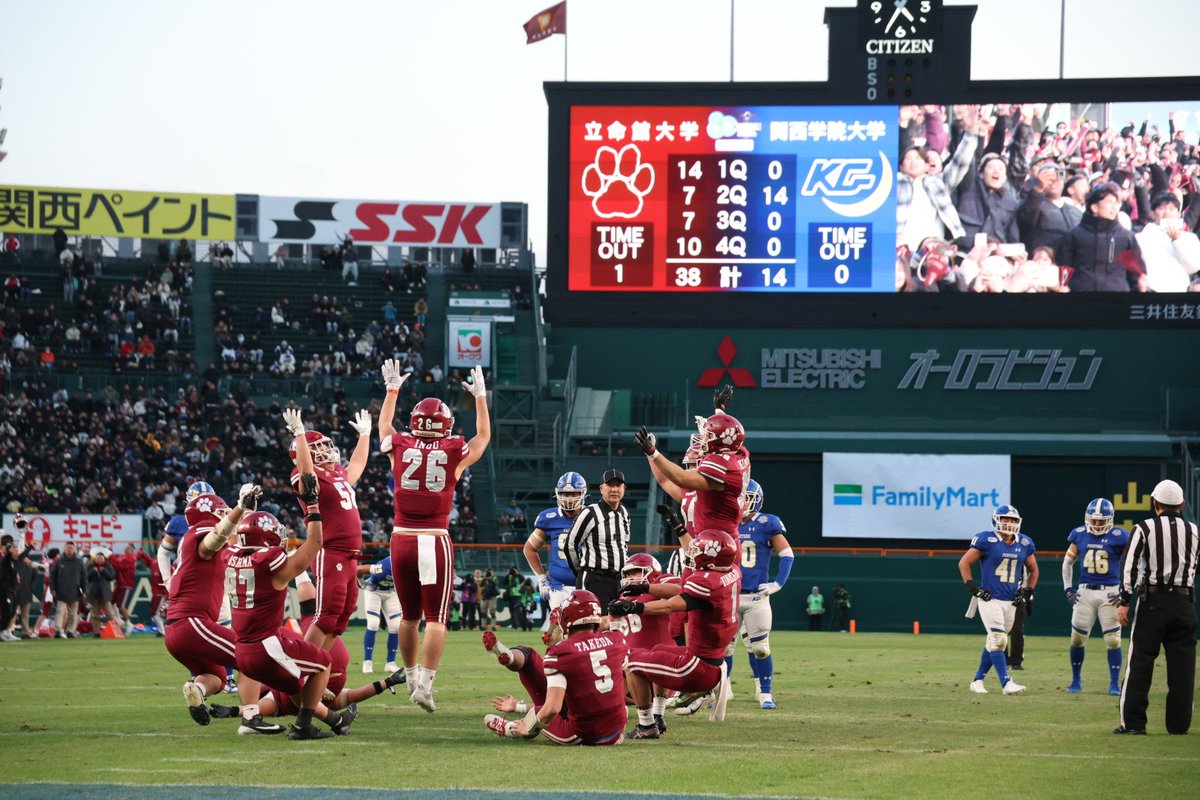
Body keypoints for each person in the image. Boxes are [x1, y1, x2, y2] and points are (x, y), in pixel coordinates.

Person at [378, 360, 490, 712]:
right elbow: (483, 437)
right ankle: (424, 685)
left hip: (400, 538)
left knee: (408, 617)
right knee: (436, 619)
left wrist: (392, 391)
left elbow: (383, 427)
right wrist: (482, 399)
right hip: (433, 537)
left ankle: (410, 676)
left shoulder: (400, 443)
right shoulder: (453, 448)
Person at [226, 495, 356, 741]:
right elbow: (315, 543)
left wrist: (242, 511)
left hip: (241, 652)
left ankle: (335, 720)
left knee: (295, 685)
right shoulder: (270, 566)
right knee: (323, 662)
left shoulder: (230, 556)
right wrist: (314, 509)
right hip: (266, 646)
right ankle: (303, 726)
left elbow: (232, 538)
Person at [167, 485, 281, 734]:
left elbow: (232, 541)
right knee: (251, 657)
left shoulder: (193, 538)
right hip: (192, 622)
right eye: (221, 512)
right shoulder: (202, 534)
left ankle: (196, 690)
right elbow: (214, 540)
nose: (225, 515)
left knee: (216, 678)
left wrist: (246, 512)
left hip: (178, 629)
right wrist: (240, 508)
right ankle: (251, 718)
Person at [611, 529, 741, 738]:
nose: (693, 554)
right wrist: (645, 588)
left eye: (698, 551)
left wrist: (633, 607)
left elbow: (669, 606)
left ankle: (646, 726)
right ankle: (658, 715)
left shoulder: (706, 582)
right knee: (658, 650)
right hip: (713, 661)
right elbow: (680, 590)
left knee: (632, 663)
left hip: (697, 666)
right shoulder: (731, 570)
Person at [482, 590, 628, 745]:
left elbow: (552, 708)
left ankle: (510, 728)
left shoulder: (561, 653)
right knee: (574, 695)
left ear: (567, 618)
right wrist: (517, 707)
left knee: (537, 715)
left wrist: (529, 725)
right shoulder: (616, 640)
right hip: (616, 730)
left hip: (582, 733)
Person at [283, 404, 374, 653]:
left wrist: (365, 436)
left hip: (351, 555)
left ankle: (318, 671)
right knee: (326, 616)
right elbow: (305, 472)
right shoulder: (304, 474)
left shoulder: (336, 474)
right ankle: (301, 671)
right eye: (319, 447)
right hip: (330, 551)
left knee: (341, 620)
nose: (325, 449)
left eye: (325, 445)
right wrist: (300, 435)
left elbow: (356, 465)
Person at [1114, 479, 1198, 735]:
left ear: (1155, 504)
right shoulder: (1195, 531)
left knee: (1140, 662)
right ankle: (1178, 725)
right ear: (1182, 505)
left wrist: (1124, 600)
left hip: (1154, 602)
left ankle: (1134, 724)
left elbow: (1129, 565)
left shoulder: (1144, 528)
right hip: (1184, 603)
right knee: (1183, 669)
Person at [958, 504, 1038, 696]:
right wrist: (973, 588)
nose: (1009, 524)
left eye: (1012, 520)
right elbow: (964, 563)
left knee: (993, 642)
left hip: (1011, 600)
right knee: (999, 639)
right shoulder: (987, 539)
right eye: (1005, 519)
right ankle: (1006, 683)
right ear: (996, 520)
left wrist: (1027, 592)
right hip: (990, 598)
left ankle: (977, 680)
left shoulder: (1025, 543)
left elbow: (1034, 569)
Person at [634, 411, 750, 541]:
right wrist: (650, 455)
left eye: (697, 464)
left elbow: (681, 478)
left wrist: (653, 452)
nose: (693, 469)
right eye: (690, 465)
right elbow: (665, 479)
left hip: (719, 545)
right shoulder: (738, 453)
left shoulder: (724, 466)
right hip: (701, 546)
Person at [734, 479, 794, 709]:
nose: (742, 501)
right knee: (725, 648)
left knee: (759, 647)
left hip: (756, 596)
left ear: (756, 499)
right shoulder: (726, 522)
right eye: (739, 497)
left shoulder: (767, 523)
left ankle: (765, 692)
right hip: (730, 594)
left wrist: (778, 583)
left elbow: (787, 554)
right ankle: (723, 691)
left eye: (746, 497)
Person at [1062, 498, 1131, 695]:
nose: (1098, 524)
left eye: (1102, 521)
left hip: (1110, 592)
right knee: (1077, 639)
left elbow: (1131, 564)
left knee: (1113, 641)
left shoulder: (1120, 536)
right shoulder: (1079, 534)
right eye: (1094, 520)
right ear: (1087, 518)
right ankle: (1075, 680)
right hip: (1085, 591)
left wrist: (1124, 591)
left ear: (1110, 519)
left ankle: (1114, 684)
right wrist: (1068, 588)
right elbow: (1067, 563)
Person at [562, 469, 631, 609]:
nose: (614, 489)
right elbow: (570, 545)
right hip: (595, 579)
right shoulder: (590, 513)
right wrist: (580, 571)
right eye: (610, 485)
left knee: (617, 626)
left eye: (618, 485)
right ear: (601, 488)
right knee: (594, 624)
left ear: (624, 488)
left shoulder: (624, 513)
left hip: (618, 581)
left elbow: (624, 545)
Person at [1056, 184, 1144, 291]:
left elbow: (1135, 272)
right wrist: (1062, 286)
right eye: (1109, 202)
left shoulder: (1126, 237)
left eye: (1115, 203)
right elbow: (1064, 266)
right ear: (1094, 207)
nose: (1113, 207)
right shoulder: (1074, 235)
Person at [523, 472, 585, 620]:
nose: (569, 498)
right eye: (565, 494)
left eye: (574, 494)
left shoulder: (592, 515)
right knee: (560, 633)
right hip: (559, 587)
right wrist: (541, 577)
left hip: (586, 585)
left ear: (582, 494)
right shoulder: (550, 518)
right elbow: (529, 548)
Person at [358, 556, 401, 674]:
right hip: (374, 590)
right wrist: (362, 583)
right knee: (373, 623)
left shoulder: (409, 568)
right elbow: (358, 570)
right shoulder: (385, 566)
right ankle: (367, 661)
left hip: (391, 592)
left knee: (396, 626)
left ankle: (390, 663)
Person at [50, 542, 86, 638]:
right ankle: (58, 630)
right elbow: (52, 576)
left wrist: (85, 591)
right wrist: (53, 589)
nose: (69, 549)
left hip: (75, 591)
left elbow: (84, 577)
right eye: (68, 548)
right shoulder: (59, 561)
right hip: (61, 591)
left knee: (73, 613)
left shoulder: (79, 561)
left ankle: (70, 631)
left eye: (71, 548)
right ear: (65, 549)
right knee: (60, 611)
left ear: (74, 549)